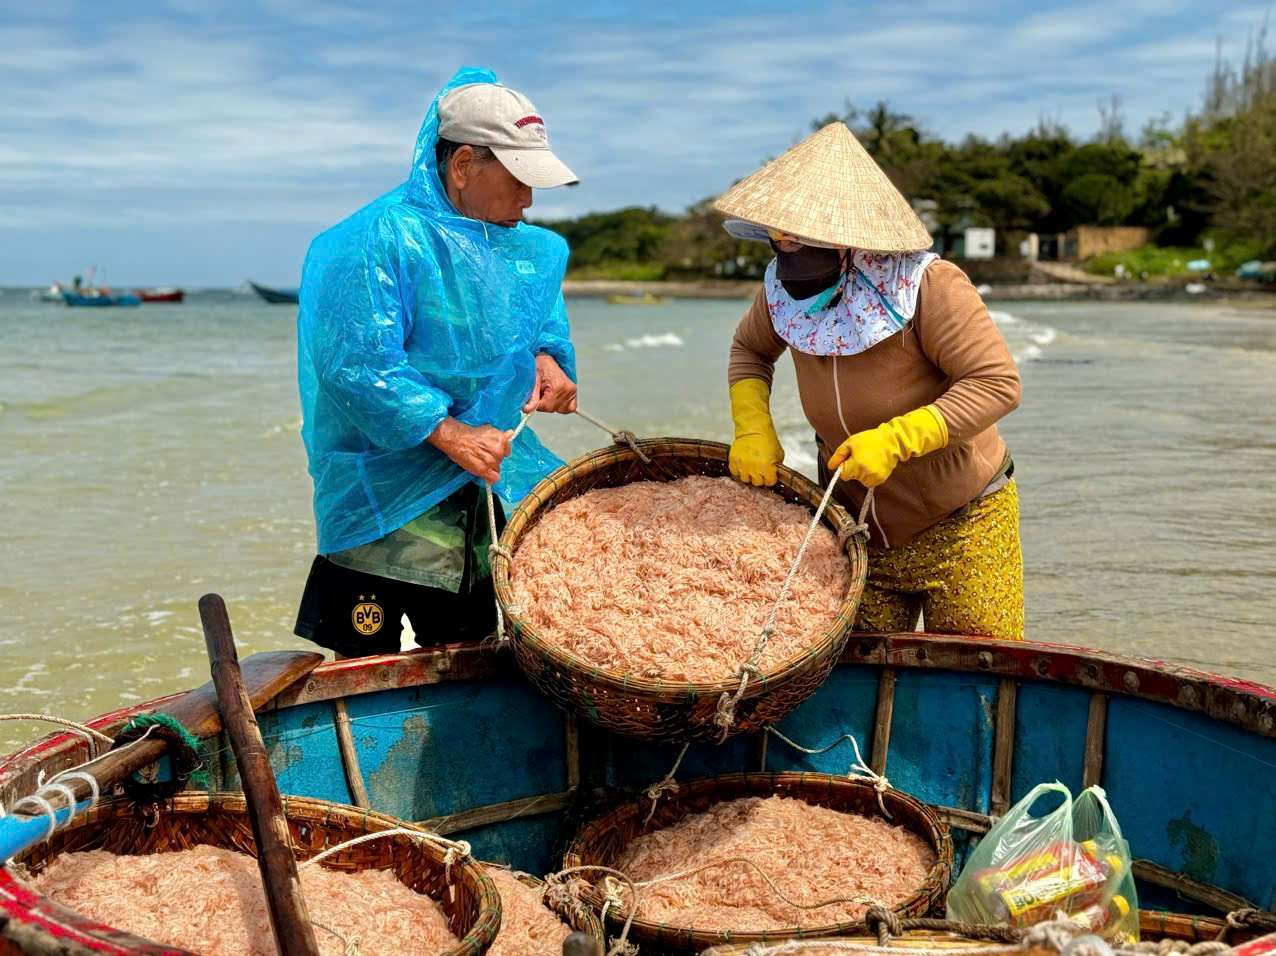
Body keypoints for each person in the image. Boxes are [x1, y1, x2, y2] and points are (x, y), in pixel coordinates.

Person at [293, 67, 580, 658]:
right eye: (518, 180)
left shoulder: (507, 243)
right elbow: (355, 367)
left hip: (472, 492)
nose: (528, 200)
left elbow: (535, 314)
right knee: (366, 663)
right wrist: (449, 432)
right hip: (382, 498)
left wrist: (548, 357)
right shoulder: (377, 238)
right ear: (464, 165)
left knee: (472, 651)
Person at [718, 122, 1024, 640]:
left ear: (848, 236)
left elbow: (995, 382)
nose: (788, 250)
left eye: (802, 237)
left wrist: (897, 439)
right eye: (779, 238)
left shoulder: (926, 286)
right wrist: (752, 427)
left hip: (962, 521)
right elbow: (750, 350)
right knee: (857, 666)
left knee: (974, 668)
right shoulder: (779, 291)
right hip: (853, 526)